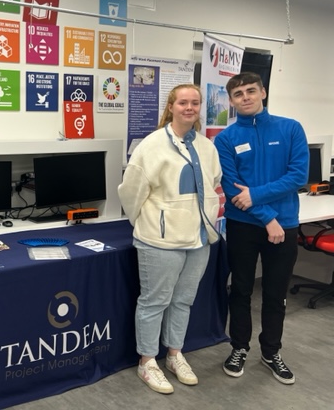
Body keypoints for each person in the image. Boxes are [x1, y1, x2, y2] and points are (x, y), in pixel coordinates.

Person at [118, 83, 222, 394]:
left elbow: (214, 182)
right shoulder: (151, 146)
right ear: (171, 107)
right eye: (183, 102)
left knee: (183, 300)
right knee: (155, 302)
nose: (189, 108)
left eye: (195, 103)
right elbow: (130, 192)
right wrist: (151, 222)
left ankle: (175, 354)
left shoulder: (207, 146)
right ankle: (148, 361)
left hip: (199, 238)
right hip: (160, 241)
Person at [214, 72, 308, 385]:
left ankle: (271, 351)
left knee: (275, 293)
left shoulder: (290, 128)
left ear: (263, 92)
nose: (246, 98)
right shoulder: (226, 138)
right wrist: (267, 217)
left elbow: (298, 176)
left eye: (251, 91)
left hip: (285, 224)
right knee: (241, 289)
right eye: (238, 94)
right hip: (244, 226)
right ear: (231, 100)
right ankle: (239, 347)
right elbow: (231, 186)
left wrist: (255, 196)